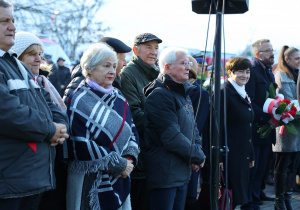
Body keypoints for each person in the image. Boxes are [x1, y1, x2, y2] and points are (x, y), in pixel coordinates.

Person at [0, 1, 69, 210]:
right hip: (9, 182)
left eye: (13, 20)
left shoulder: (17, 66)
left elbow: (49, 104)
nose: (12, 27)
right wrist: (50, 130)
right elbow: (8, 113)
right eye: (4, 21)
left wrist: (59, 127)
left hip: (32, 180)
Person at [65, 43, 139, 210]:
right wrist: (117, 163)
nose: (112, 70)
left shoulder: (119, 96)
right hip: (88, 180)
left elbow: (132, 130)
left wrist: (129, 158)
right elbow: (79, 142)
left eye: (114, 66)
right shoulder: (78, 98)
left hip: (121, 175)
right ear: (89, 68)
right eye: (106, 66)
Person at [143, 47, 205, 210]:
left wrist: (196, 152)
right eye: (183, 63)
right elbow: (171, 136)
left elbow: (193, 129)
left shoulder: (183, 93)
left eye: (188, 63)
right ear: (167, 67)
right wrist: (196, 155)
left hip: (181, 172)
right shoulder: (160, 95)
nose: (188, 67)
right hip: (165, 175)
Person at [120, 32, 162, 210]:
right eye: (148, 47)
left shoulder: (158, 73)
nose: (153, 52)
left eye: (156, 48)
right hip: (142, 152)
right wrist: (165, 126)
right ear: (136, 50)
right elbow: (134, 114)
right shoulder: (128, 74)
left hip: (157, 151)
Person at [241, 39, 278, 210]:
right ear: (257, 54)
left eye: (272, 49)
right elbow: (250, 101)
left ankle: (256, 196)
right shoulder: (253, 71)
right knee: (253, 170)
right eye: (268, 50)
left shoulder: (268, 70)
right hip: (256, 130)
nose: (272, 53)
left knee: (262, 169)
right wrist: (266, 119)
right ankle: (250, 202)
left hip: (267, 130)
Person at [219, 57, 255, 209]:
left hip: (242, 153)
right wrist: (219, 157)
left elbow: (247, 127)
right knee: (229, 197)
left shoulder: (242, 92)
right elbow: (217, 126)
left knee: (236, 197)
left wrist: (251, 154)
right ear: (230, 72)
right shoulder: (224, 93)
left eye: (247, 72)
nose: (245, 76)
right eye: (240, 71)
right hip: (229, 154)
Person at [272, 46, 300, 210]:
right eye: (296, 58)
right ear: (286, 59)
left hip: (297, 128)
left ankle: (288, 197)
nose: (299, 61)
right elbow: (287, 101)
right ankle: (279, 200)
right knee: (282, 165)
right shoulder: (280, 75)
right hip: (286, 128)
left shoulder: (297, 74)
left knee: (293, 166)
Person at [63, 37, 132, 103]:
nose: (125, 64)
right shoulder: (79, 86)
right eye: (122, 59)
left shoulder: (113, 85)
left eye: (114, 66)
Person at [11, 31, 66, 112]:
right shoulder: (11, 85)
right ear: (18, 57)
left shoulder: (42, 81)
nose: (39, 60)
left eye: (39, 54)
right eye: (32, 54)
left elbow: (59, 112)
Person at [185, 55, 210, 209]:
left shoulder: (200, 92)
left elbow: (197, 125)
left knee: (189, 193)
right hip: (178, 150)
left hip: (191, 148)